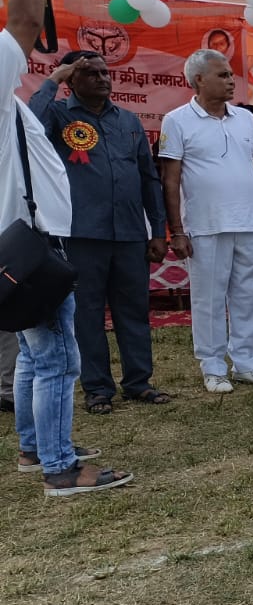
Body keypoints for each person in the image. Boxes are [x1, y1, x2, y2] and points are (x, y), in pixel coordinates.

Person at [4, 0, 130, 494]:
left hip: (21, 236)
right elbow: (26, 21)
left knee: (35, 350)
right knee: (58, 357)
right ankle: (60, 469)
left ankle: (34, 449)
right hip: (27, 234)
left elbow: (26, 85)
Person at [28, 50, 171, 412]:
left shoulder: (128, 121)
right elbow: (29, 122)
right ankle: (97, 389)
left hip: (129, 234)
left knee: (134, 310)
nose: (102, 78)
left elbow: (148, 178)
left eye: (106, 72)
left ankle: (139, 382)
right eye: (90, 73)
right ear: (72, 80)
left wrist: (157, 229)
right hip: (81, 235)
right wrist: (54, 78)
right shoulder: (58, 115)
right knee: (87, 313)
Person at [158, 49, 253, 394]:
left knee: (247, 294)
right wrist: (177, 230)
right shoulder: (177, 120)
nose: (231, 81)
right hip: (205, 225)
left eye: (231, 75)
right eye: (223, 75)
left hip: (247, 222)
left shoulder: (245, 119)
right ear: (199, 80)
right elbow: (170, 180)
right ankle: (213, 368)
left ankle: (247, 363)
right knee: (208, 299)